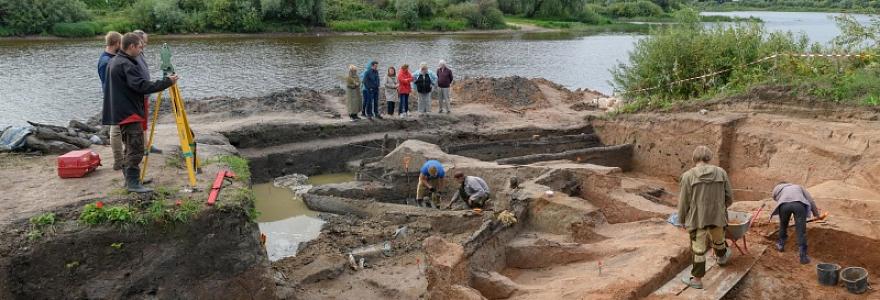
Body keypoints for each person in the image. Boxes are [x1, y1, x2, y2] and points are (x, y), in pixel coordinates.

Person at [102, 33, 178, 193]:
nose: (142, 49)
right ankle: (132, 183)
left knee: (129, 147)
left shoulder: (116, 60)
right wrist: (167, 82)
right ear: (132, 47)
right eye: (140, 47)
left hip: (122, 111)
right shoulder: (125, 64)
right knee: (136, 148)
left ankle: (131, 179)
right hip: (128, 112)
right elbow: (141, 86)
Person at [677, 145, 733, 290]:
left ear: (694, 158)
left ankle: (696, 279)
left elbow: (683, 202)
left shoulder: (688, 176)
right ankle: (721, 258)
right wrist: (720, 207)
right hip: (717, 216)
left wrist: (681, 219)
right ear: (709, 157)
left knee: (698, 249)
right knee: (719, 239)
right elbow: (729, 197)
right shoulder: (721, 172)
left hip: (697, 219)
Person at [770, 182, 821, 264]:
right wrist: (816, 214)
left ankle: (780, 245)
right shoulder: (799, 187)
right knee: (801, 231)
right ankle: (803, 257)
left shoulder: (778, 188)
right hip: (799, 205)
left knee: (783, 226)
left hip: (784, 205)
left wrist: (785, 200)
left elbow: (775, 197)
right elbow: (810, 200)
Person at [132, 30, 162, 155]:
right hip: (139, 94)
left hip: (144, 94)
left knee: (144, 121)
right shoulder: (133, 56)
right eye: (144, 42)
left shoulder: (140, 53)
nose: (145, 45)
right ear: (137, 41)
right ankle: (143, 147)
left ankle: (146, 144)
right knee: (139, 121)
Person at [98, 31, 124, 170]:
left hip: (117, 97)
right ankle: (118, 161)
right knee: (116, 129)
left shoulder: (111, 57)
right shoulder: (106, 61)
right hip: (113, 99)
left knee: (119, 129)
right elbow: (108, 83)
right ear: (117, 44)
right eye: (121, 43)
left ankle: (122, 158)